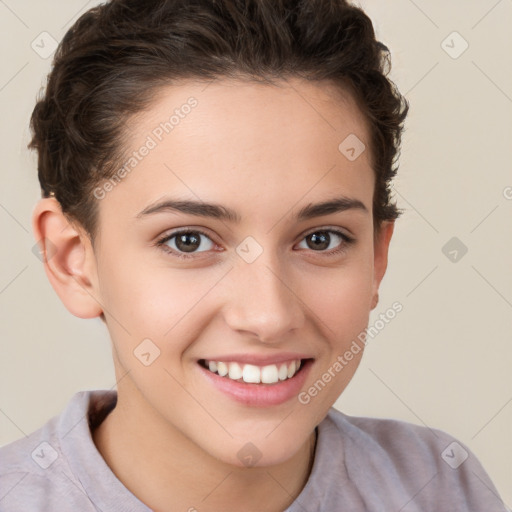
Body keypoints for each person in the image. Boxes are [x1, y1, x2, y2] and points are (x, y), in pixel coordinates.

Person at [0, 0, 507, 510]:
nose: (269, 315)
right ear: (71, 260)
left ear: (377, 257)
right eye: (188, 241)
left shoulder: (442, 488)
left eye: (320, 239)